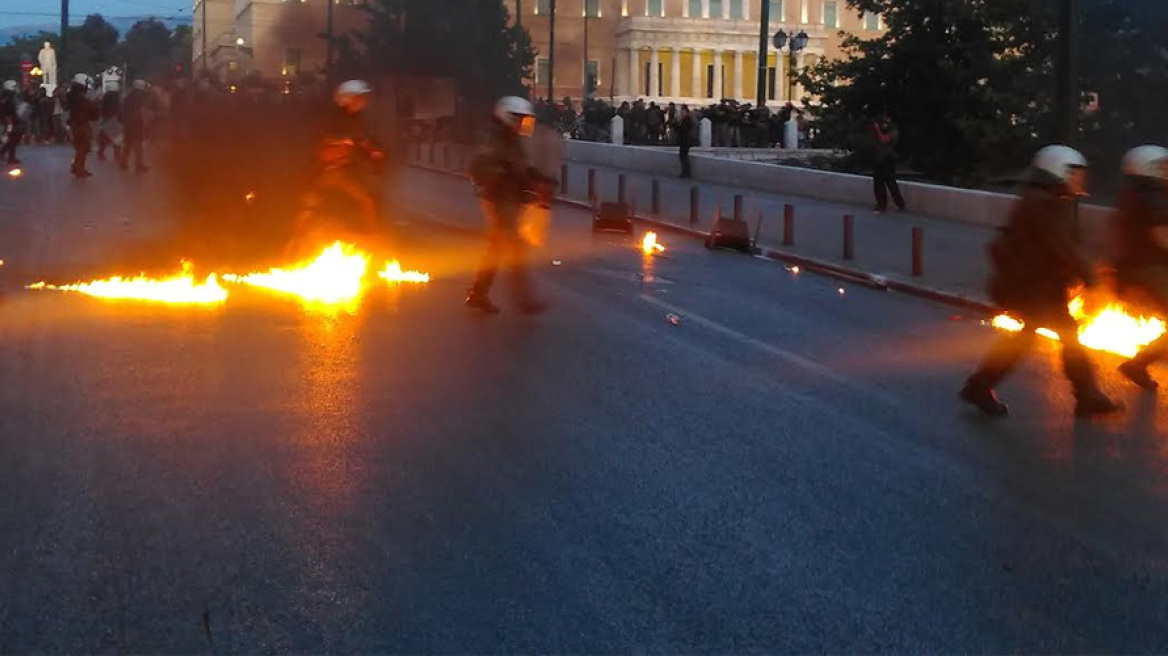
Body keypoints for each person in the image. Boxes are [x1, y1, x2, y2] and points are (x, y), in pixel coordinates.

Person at [960, 145, 1121, 418]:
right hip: (1034, 287)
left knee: (1028, 338)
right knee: (1064, 336)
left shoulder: (1042, 199)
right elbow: (1061, 246)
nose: (1081, 179)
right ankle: (1086, 395)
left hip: (1031, 285)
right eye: (1076, 173)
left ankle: (980, 385)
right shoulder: (1045, 203)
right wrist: (1090, 275)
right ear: (1059, 170)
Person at [464, 96, 553, 315]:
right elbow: (477, 168)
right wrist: (503, 175)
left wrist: (538, 179)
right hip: (499, 200)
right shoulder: (494, 141)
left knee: (496, 249)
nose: (523, 124)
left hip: (510, 199)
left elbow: (521, 167)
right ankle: (524, 300)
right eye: (520, 119)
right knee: (516, 248)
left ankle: (478, 295)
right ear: (508, 117)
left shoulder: (512, 141)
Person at [292, 79, 386, 247]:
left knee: (368, 202)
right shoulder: (330, 118)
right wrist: (340, 143)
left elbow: (362, 141)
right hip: (323, 173)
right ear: (346, 98)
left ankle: (374, 240)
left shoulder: (357, 120)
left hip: (345, 173)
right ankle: (293, 243)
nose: (363, 102)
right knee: (308, 209)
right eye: (359, 98)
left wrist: (373, 152)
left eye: (364, 98)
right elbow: (321, 143)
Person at [1111, 145, 1168, 389]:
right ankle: (1138, 363)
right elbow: (1161, 236)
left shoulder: (1133, 195)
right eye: (1162, 166)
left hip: (1136, 267)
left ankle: (1138, 363)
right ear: (1147, 167)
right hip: (1152, 268)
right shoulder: (1154, 197)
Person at [871, 112, 906, 213]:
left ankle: (899, 203)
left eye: (887, 121)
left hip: (888, 159)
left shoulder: (894, 132)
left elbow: (883, 140)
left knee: (890, 182)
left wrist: (877, 129)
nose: (885, 123)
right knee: (878, 183)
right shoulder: (884, 130)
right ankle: (881, 204)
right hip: (880, 159)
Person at [66, 74, 98, 178]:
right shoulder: (80, 97)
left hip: (76, 123)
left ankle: (77, 166)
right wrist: (94, 104)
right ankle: (79, 168)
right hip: (80, 124)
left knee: (82, 147)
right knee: (83, 147)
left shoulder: (73, 95)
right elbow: (89, 109)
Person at [119, 79, 150, 172]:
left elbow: (123, 109)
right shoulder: (142, 96)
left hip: (127, 123)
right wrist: (145, 121)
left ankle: (123, 163)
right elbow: (143, 109)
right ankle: (139, 166)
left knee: (127, 143)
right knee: (138, 145)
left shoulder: (128, 97)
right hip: (137, 122)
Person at [1, 80, 23, 165]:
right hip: (8, 121)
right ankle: (9, 156)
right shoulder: (6, 98)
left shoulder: (10, 97)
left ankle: (8, 155)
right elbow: (5, 110)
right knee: (9, 139)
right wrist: (9, 121)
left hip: (11, 121)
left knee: (12, 139)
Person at [673, 104, 695, 179]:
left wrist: (677, 126)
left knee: (683, 156)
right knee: (682, 156)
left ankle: (686, 172)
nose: (681, 113)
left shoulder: (687, 119)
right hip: (684, 140)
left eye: (682, 111)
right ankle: (685, 172)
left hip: (686, 140)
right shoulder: (685, 119)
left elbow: (684, 129)